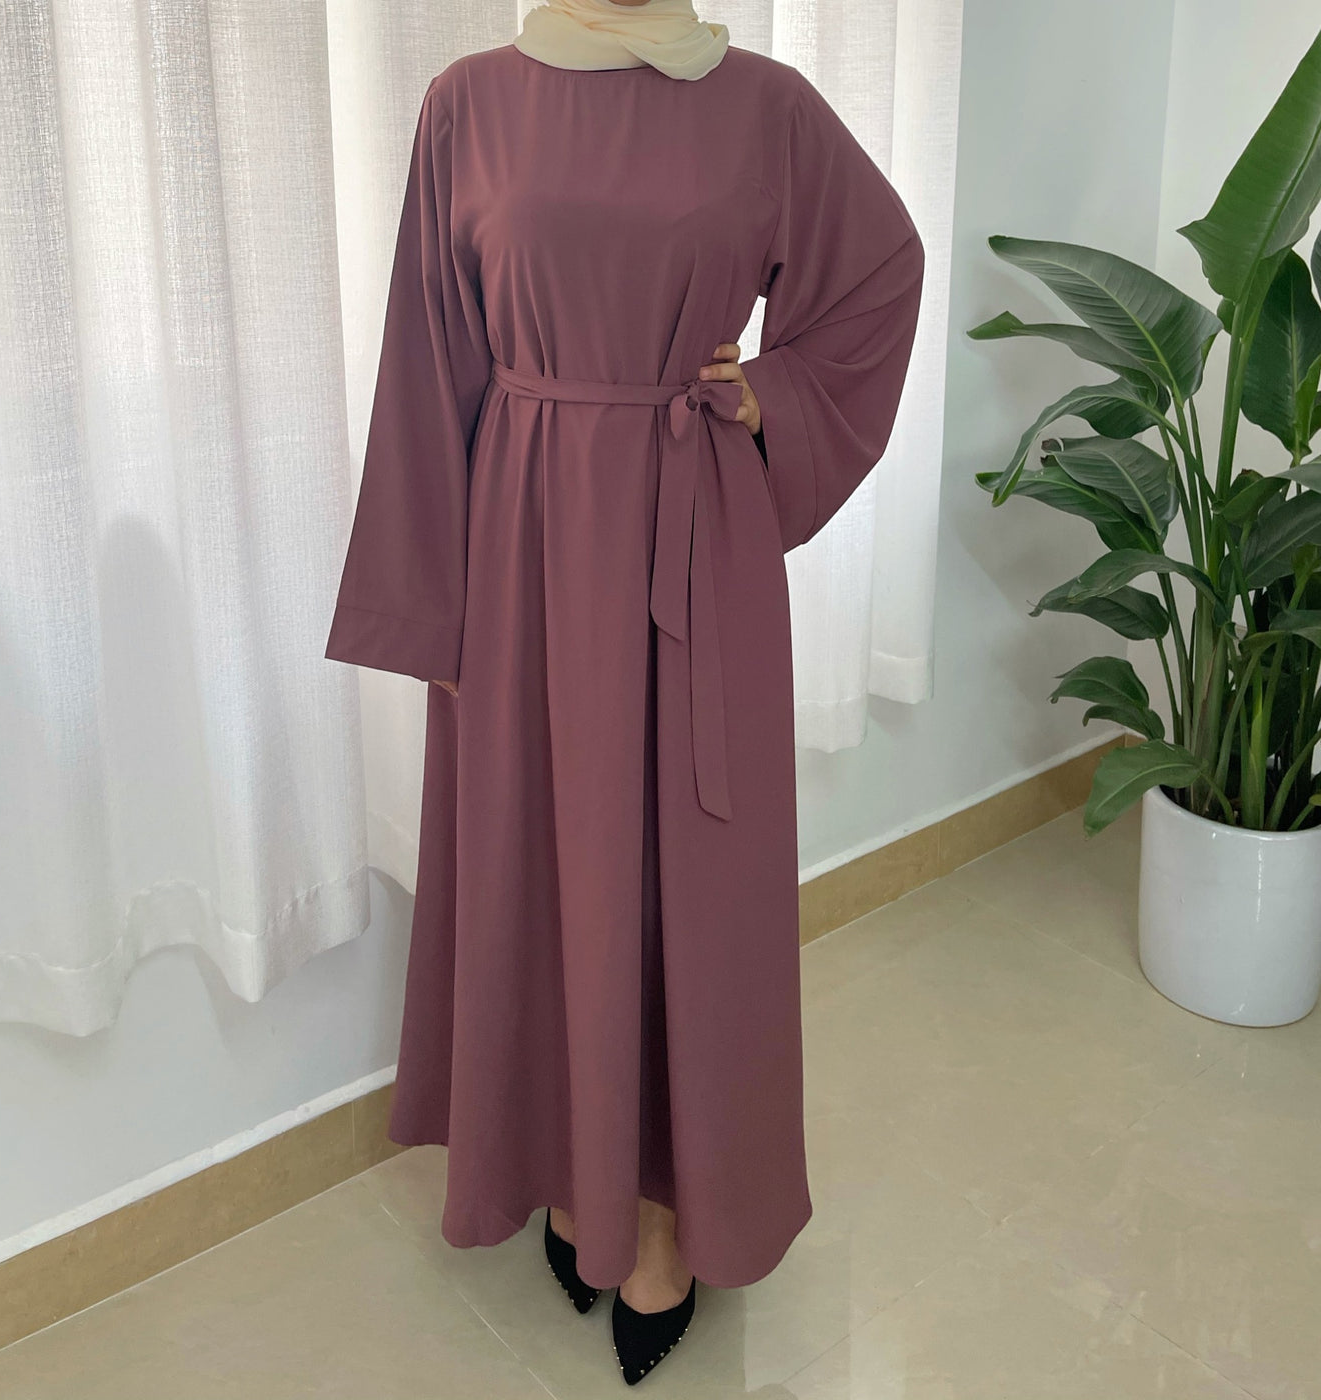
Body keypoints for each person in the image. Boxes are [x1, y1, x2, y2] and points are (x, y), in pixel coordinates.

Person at [324, 0, 924, 1384]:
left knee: (684, 888)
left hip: (691, 537)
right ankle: (564, 1167)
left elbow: (879, 270)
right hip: (523, 551)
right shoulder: (469, 103)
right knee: (543, 863)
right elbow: (429, 357)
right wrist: (430, 598)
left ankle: (663, 1213)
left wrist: (774, 393)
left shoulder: (764, 107)